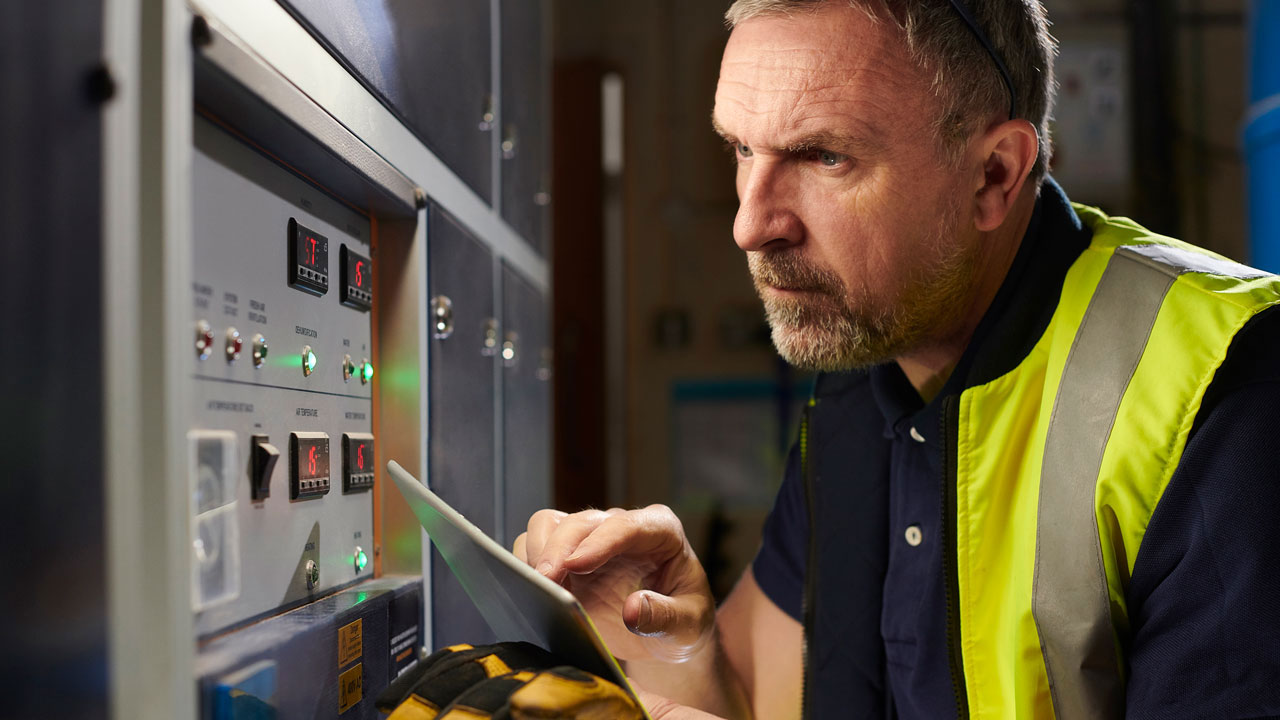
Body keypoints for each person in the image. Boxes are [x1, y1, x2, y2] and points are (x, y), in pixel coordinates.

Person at [515, 1, 1280, 717]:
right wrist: (673, 639)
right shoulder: (866, 374)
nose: (752, 224)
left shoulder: (1227, 388)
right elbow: (754, 699)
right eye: (743, 148)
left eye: (824, 156)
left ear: (994, 175)